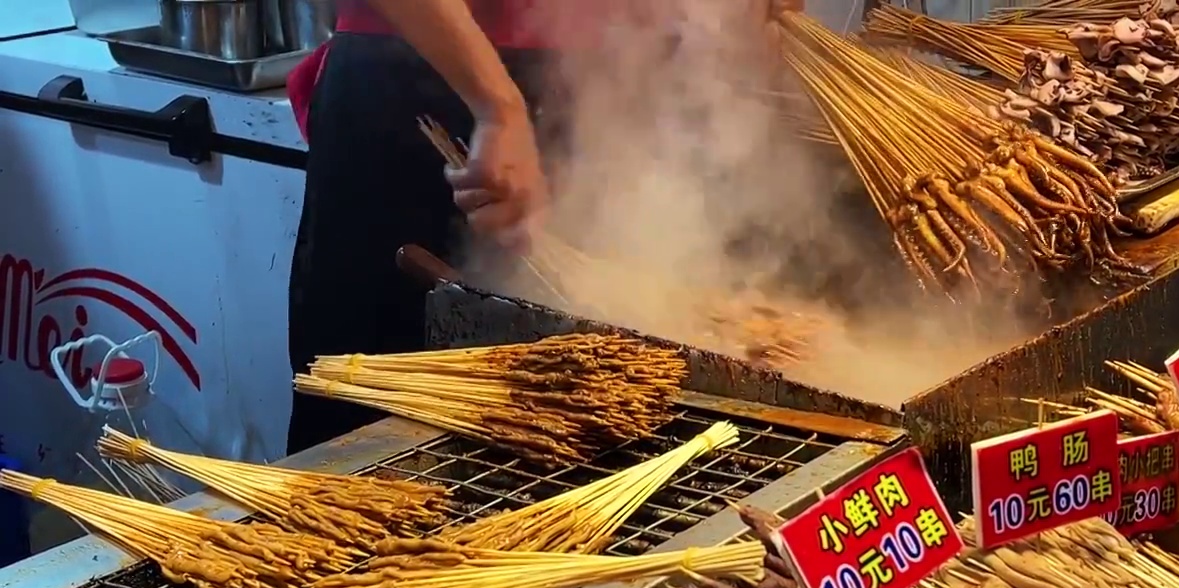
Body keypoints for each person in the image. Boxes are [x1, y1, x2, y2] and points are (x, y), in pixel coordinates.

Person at [284, 0, 804, 454]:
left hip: (587, 80)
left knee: (581, 401)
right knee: (371, 419)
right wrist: (497, 106)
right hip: (421, 72)